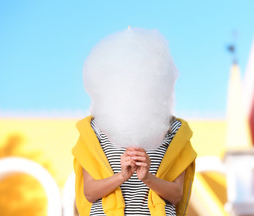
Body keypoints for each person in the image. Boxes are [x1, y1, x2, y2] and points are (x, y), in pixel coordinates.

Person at [72, 28, 196, 216]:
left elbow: (176, 194)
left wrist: (147, 177)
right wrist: (122, 176)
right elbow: (89, 193)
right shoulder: (93, 130)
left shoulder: (175, 131)